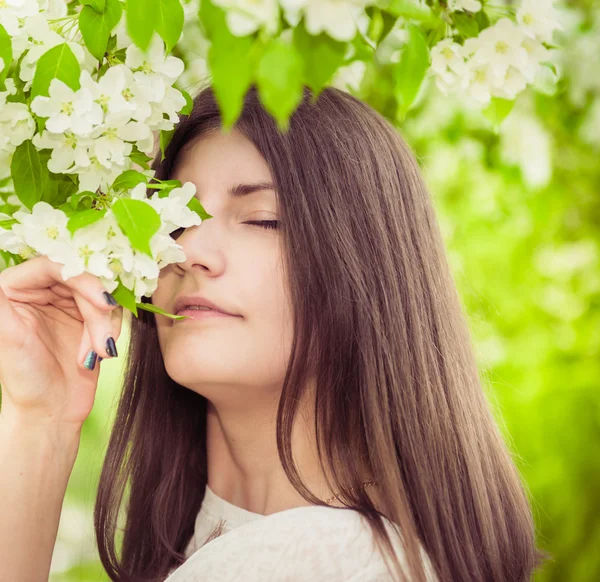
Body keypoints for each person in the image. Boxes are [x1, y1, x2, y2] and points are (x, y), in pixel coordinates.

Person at [0, 84, 542, 582]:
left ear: (367, 267)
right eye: (171, 223)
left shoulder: (329, 559)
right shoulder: (231, 548)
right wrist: (40, 420)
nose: (187, 251)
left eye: (262, 219)